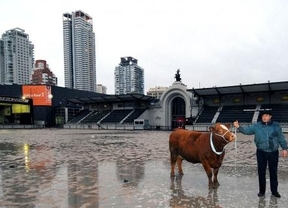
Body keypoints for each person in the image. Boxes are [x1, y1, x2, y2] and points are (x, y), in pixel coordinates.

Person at [233, 110, 288, 198]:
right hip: (261, 152)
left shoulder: (276, 126)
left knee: (273, 172)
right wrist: (239, 127)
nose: (264, 117)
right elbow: (247, 131)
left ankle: (274, 191)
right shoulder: (256, 126)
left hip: (273, 152)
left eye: (266, 115)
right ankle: (262, 191)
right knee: (261, 172)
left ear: (270, 117)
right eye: (263, 116)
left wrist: (285, 148)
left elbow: (281, 137)